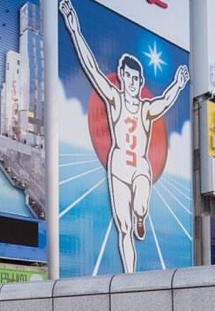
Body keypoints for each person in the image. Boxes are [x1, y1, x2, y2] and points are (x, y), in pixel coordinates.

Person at [60, 0, 189, 273]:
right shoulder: (114, 100)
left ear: (140, 82)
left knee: (140, 206)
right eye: (127, 76)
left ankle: (141, 215)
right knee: (124, 227)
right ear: (121, 76)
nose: (130, 81)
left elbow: (165, 101)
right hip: (117, 165)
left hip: (140, 166)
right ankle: (129, 279)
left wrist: (178, 84)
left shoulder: (144, 108)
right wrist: (74, 30)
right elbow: (92, 69)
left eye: (135, 78)